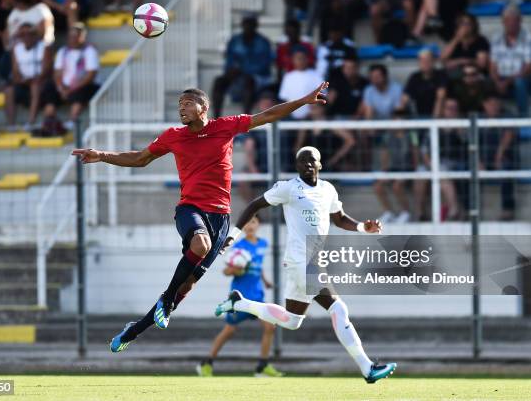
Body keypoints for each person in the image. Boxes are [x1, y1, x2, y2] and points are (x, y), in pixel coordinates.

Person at [72, 81, 330, 350]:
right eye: (179, 105)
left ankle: (133, 330)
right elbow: (139, 158)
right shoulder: (173, 135)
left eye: (187, 103)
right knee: (199, 246)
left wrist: (303, 100)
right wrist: (101, 155)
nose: (181, 108)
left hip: (221, 218)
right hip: (190, 209)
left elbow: (267, 116)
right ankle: (166, 300)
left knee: (189, 284)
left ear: (203, 107)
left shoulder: (225, 127)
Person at [215, 146, 397, 384]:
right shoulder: (288, 188)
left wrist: (364, 227)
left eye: (311, 161)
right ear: (296, 166)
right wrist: (234, 234)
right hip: (301, 261)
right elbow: (254, 205)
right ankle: (367, 367)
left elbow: (340, 218)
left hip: (307, 262)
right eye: (302, 162)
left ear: (320, 164)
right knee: (337, 308)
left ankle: (240, 303)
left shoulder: (328, 190)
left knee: (292, 320)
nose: (307, 165)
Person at [196, 215, 282, 378]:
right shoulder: (238, 247)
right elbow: (226, 271)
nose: (250, 225)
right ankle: (206, 362)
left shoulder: (263, 244)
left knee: (270, 326)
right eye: (247, 222)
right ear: (243, 227)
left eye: (254, 222)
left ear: (258, 225)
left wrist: (265, 281)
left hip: (257, 296)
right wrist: (236, 270)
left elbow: (259, 266)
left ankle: (262, 367)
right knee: (229, 331)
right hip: (240, 298)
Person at [40, 22, 98, 132]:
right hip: (65, 87)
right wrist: (61, 88)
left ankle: (72, 121)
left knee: (84, 90)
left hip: (80, 85)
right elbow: (57, 72)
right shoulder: (63, 51)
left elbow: (90, 75)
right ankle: (48, 121)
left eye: (76, 36)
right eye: (71, 36)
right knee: (49, 87)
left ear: (82, 37)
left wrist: (71, 89)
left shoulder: (90, 51)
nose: (73, 39)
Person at [211, 14, 273, 118]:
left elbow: (264, 66)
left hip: (257, 78)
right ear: (242, 25)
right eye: (246, 23)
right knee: (219, 81)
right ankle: (216, 120)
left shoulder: (263, 42)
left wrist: (243, 71)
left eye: (251, 24)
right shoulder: (234, 41)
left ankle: (245, 119)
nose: (248, 26)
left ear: (256, 25)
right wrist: (230, 70)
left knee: (248, 80)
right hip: (237, 77)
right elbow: (229, 61)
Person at [490, 4, 531, 117]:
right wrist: (497, 81)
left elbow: (529, 67)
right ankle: (489, 119)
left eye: (514, 20)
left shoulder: (528, 38)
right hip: (501, 78)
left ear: (520, 21)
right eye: (507, 20)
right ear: (503, 22)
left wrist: (507, 82)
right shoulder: (496, 38)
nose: (511, 23)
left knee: (519, 83)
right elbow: (492, 65)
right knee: (486, 82)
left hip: (523, 79)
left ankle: (523, 118)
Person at [373, 108, 419, 224]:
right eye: (395, 119)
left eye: (400, 119)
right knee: (378, 186)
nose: (397, 122)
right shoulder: (388, 136)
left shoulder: (411, 134)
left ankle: (406, 213)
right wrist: (384, 171)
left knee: (397, 186)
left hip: (408, 168)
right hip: (393, 168)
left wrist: (416, 170)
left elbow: (416, 153)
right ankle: (389, 213)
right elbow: (385, 154)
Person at [5, 22, 52, 129]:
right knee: (8, 90)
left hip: (40, 82)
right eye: (23, 35)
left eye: (30, 34)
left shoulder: (44, 47)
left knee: (35, 86)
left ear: (35, 35)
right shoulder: (16, 48)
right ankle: (11, 124)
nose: (26, 37)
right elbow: (15, 70)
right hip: (23, 82)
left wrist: (35, 79)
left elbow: (46, 70)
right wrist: (21, 80)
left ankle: (31, 121)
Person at [278, 49, 324, 120]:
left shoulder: (316, 75)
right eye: (298, 58)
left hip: (311, 117)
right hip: (291, 117)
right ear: (293, 60)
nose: (300, 61)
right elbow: (284, 98)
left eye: (303, 58)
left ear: (307, 59)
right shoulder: (288, 77)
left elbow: (322, 97)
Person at [400, 49, 447, 118]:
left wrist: (434, 121)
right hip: (420, 113)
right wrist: (400, 111)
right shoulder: (414, 77)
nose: (425, 63)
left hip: (439, 114)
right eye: (422, 61)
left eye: (428, 60)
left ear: (433, 61)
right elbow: (405, 97)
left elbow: (440, 97)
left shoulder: (440, 75)